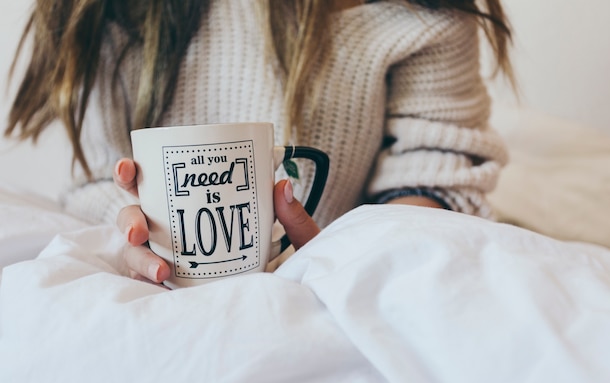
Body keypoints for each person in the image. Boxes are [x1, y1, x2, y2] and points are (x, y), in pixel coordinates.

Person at [5, 0, 514, 284]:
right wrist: (130, 232)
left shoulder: (420, 15)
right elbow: (100, 175)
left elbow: (436, 175)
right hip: (165, 285)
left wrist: (358, 256)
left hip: (332, 279)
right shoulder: (106, 12)